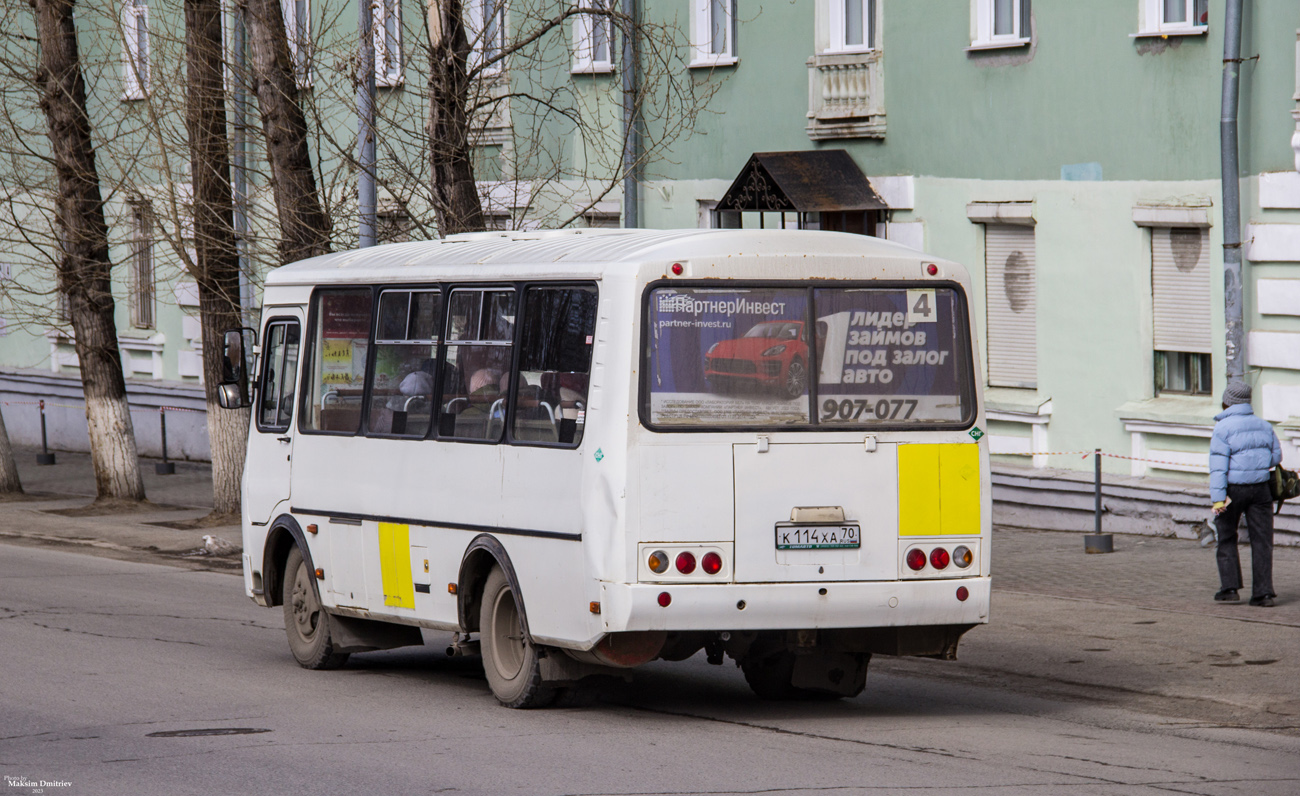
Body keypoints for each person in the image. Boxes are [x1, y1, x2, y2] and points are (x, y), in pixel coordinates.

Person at [1209, 382, 1282, 607]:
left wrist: (1218, 499)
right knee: (1262, 541)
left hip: (1233, 490)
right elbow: (1275, 457)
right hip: (1261, 489)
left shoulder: (1222, 428)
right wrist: (1255, 465)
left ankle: (1230, 589)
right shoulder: (1264, 425)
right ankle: (1263, 594)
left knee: (1227, 536)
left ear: (1227, 401)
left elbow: (1218, 468)